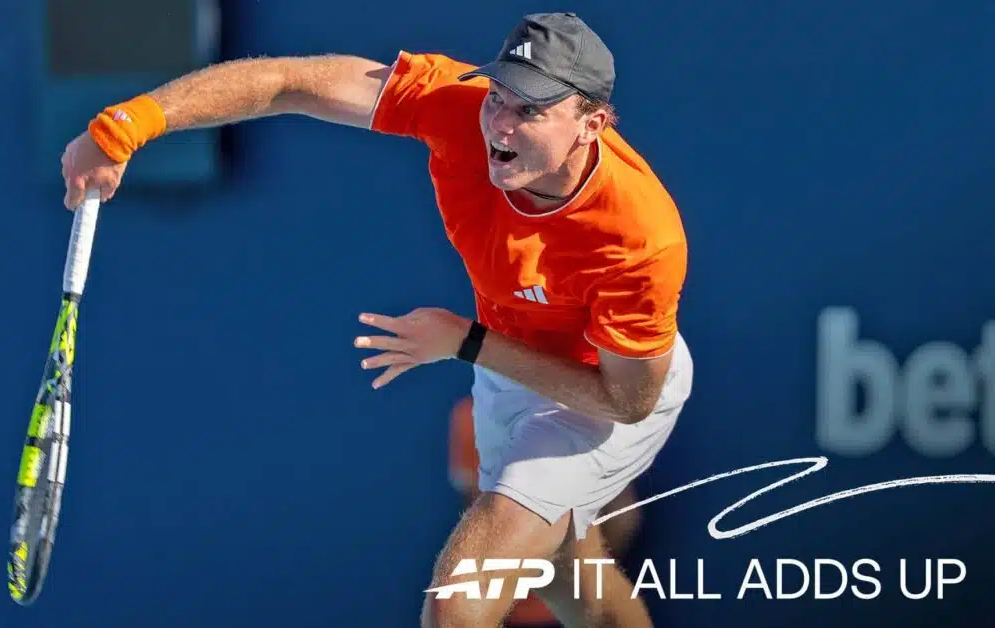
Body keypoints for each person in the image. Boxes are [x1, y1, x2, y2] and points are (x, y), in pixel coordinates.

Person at [61, 12, 694, 627]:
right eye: (497, 97)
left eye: (529, 110)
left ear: (591, 124)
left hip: (600, 388)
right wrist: (127, 126)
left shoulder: (639, 239)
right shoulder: (453, 105)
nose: (500, 124)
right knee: (569, 582)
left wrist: (468, 342)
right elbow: (288, 82)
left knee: (457, 605)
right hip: (509, 371)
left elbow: (626, 401)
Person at [447, 395, 645, 628]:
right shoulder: (593, 413)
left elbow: (624, 517)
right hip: (570, 603)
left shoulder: (475, 414)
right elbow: (624, 517)